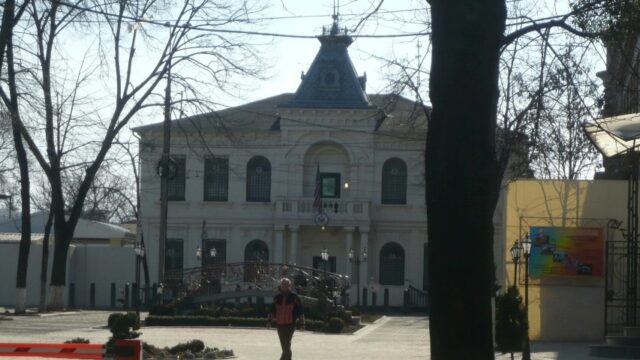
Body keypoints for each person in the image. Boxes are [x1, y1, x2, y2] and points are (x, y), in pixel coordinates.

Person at [267, 277, 305, 360]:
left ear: (289, 285)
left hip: (290, 324)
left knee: (286, 343)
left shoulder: (294, 297)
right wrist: (269, 321)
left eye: (286, 284)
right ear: (280, 285)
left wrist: (302, 324)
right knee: (284, 344)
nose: (284, 286)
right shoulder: (277, 298)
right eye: (282, 284)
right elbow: (272, 310)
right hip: (280, 324)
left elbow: (300, 311)